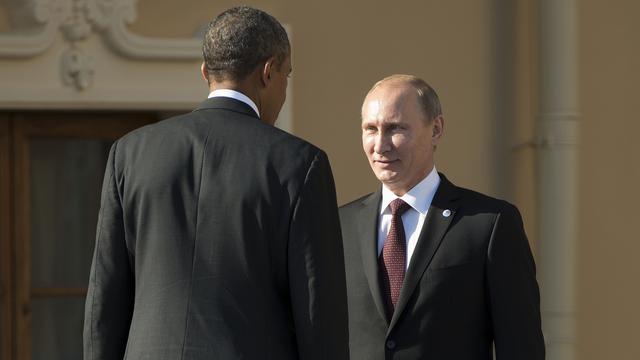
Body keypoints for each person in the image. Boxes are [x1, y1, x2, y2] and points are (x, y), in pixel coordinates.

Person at [83, 6, 348, 360]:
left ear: (206, 71)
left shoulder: (129, 154)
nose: (284, 90)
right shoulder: (300, 164)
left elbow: (105, 300)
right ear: (268, 72)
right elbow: (318, 315)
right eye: (287, 75)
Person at [339, 74, 545, 359]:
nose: (381, 145)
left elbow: (521, 347)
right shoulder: (339, 226)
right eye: (370, 129)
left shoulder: (488, 224)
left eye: (395, 128)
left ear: (436, 129)